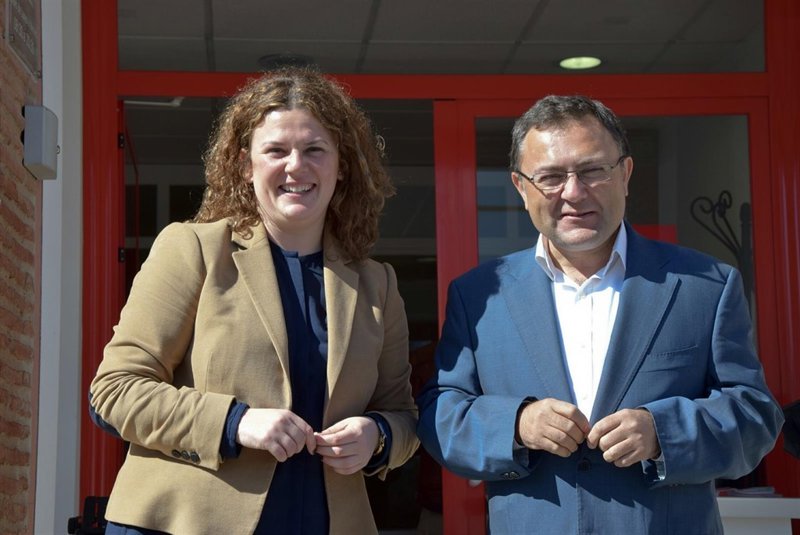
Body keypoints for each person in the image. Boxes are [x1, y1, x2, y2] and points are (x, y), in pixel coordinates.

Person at [416, 95, 784, 534]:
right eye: (550, 177)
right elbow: (441, 416)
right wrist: (516, 424)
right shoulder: (478, 296)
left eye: (592, 171)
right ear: (521, 187)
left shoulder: (704, 285)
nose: (573, 192)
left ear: (625, 174)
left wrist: (662, 432)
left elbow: (755, 417)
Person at [89, 68, 419, 535]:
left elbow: (403, 416)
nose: (296, 166)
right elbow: (114, 392)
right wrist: (234, 423)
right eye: (276, 151)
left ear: (341, 165)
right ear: (246, 165)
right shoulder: (194, 250)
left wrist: (378, 436)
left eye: (315, 150)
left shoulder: (377, 285)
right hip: (182, 524)